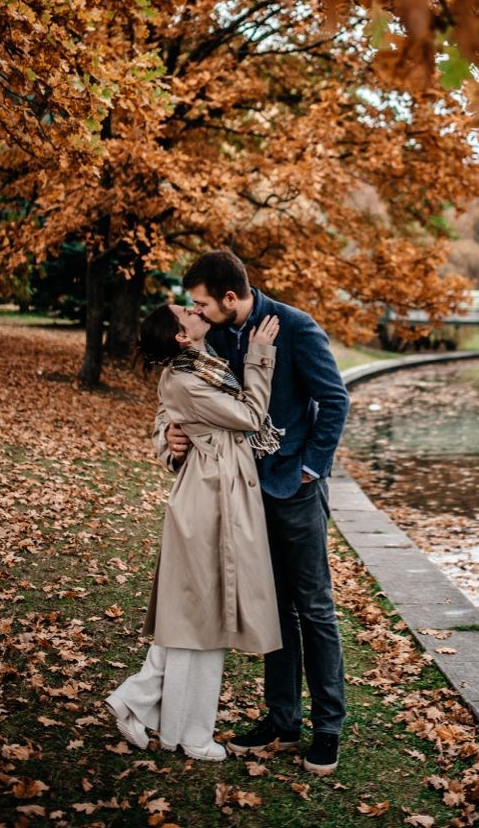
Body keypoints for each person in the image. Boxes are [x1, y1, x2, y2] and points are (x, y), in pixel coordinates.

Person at [154, 250, 350, 776]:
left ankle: (327, 727)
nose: (195, 312)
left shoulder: (295, 328)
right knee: (274, 608)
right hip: (240, 498)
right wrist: (169, 439)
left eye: (201, 303)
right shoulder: (211, 334)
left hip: (296, 490)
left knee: (314, 608)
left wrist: (311, 468)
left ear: (229, 298)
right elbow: (175, 399)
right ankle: (283, 722)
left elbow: (335, 401)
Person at [105, 301, 282, 760]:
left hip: (217, 493)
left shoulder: (202, 360)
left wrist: (171, 430)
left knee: (197, 617)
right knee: (200, 620)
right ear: (181, 336)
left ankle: (145, 707)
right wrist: (260, 357)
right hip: (208, 499)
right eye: (186, 310)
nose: (195, 308)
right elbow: (249, 416)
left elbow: (174, 412)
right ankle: (187, 733)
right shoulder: (186, 375)